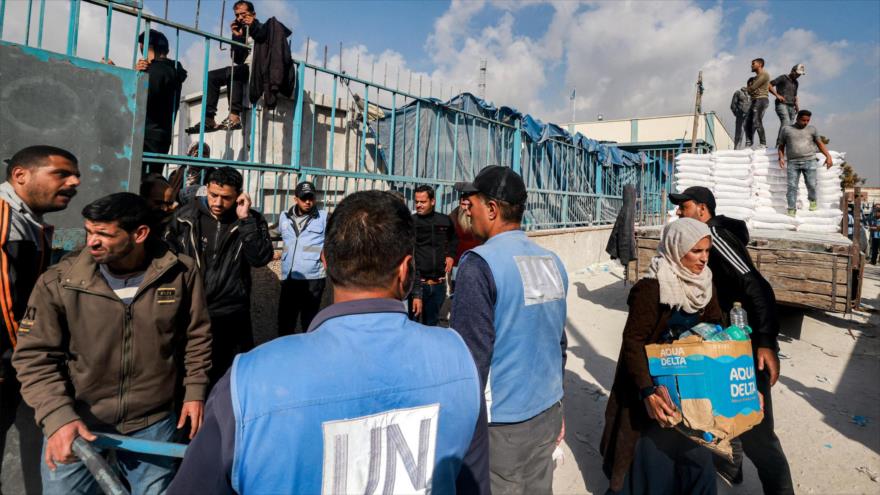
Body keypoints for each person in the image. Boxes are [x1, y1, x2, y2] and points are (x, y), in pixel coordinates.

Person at [169, 190, 483, 494]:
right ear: (405, 270)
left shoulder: (248, 380)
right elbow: (474, 482)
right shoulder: (459, 359)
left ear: (326, 261)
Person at [12, 193, 211, 495]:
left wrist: (194, 391)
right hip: (77, 423)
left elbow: (196, 335)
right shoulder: (59, 282)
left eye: (103, 234)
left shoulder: (181, 273)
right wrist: (58, 417)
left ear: (140, 234)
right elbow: (34, 357)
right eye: (89, 231)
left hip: (153, 422)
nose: (92, 242)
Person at [451, 166, 567, 495]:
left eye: (471, 201)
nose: (466, 209)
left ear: (492, 209)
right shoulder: (552, 262)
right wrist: (560, 407)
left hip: (500, 424)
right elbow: (558, 342)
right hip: (547, 412)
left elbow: (470, 358)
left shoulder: (479, 264)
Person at [671, 187, 794, 493]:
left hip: (746, 349)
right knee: (726, 418)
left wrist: (766, 342)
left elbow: (757, 285)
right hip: (726, 345)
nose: (678, 213)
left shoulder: (719, 238)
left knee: (758, 434)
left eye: (683, 207)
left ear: (702, 209)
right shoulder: (705, 242)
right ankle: (731, 470)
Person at [601, 218, 721, 494]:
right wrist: (648, 392)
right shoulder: (652, 287)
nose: (703, 259)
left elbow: (716, 325)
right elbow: (633, 342)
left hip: (693, 393)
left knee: (699, 467)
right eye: (696, 252)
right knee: (656, 470)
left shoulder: (706, 284)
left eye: (707, 251)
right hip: (658, 394)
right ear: (676, 249)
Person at [0, 146, 80, 494]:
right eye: (62, 174)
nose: (75, 182)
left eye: (75, 174)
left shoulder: (29, 221)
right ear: (21, 175)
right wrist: (25, 361)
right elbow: (4, 303)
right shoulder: (3, 217)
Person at [163, 166, 273, 385]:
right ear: (206, 190)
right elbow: (166, 258)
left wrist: (245, 221)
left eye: (226, 198)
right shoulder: (185, 217)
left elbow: (260, 258)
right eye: (213, 195)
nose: (218, 203)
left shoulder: (251, 220)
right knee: (186, 378)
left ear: (239, 196)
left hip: (231, 313)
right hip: (189, 311)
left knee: (228, 380)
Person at [185, 1, 257, 133]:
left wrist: (254, 25)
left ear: (253, 14)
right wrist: (237, 36)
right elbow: (236, 59)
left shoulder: (262, 28)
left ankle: (235, 116)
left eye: (243, 14)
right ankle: (209, 118)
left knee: (233, 72)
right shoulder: (241, 30)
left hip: (258, 68)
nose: (240, 18)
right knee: (212, 76)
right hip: (244, 68)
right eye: (237, 15)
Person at [278, 181, 328, 335]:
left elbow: (338, 239)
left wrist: (328, 255)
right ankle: (286, 354)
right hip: (289, 278)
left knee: (310, 322)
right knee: (285, 322)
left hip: (313, 278)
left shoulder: (324, 217)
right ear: (296, 199)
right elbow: (275, 234)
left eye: (311, 197)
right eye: (304, 198)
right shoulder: (284, 217)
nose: (308, 201)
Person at [136, 30, 187, 173]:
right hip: (161, 136)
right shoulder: (173, 70)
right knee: (152, 181)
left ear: (147, 48)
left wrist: (134, 77)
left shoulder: (155, 71)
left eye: (142, 50)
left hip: (146, 135)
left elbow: (139, 101)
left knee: (138, 183)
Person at [411, 185, 458, 326]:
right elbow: (410, 258)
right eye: (417, 201)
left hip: (439, 286)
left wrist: (450, 255)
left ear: (433, 201)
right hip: (419, 286)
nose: (419, 205)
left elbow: (454, 239)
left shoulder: (444, 220)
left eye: (423, 202)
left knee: (434, 327)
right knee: (416, 327)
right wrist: (416, 293)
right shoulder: (411, 222)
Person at [778, 109, 834, 215]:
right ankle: (791, 209)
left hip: (810, 161)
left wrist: (828, 156)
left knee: (812, 184)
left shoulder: (812, 129)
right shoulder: (786, 130)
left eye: (808, 120)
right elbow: (781, 146)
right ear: (797, 118)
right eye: (803, 120)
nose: (806, 123)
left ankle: (812, 201)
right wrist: (780, 158)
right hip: (793, 162)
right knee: (792, 186)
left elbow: (820, 144)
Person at [770, 64, 806, 148]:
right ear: (792, 71)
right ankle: (779, 145)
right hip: (781, 104)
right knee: (785, 122)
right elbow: (769, 85)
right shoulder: (783, 77)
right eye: (797, 73)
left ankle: (786, 145)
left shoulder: (796, 83)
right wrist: (777, 95)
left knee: (790, 127)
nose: (798, 75)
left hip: (791, 106)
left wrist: (797, 105)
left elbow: (795, 95)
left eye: (800, 74)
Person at [745, 58, 771, 149]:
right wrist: (748, 89)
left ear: (760, 64)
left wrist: (747, 89)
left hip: (761, 100)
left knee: (756, 121)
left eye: (753, 63)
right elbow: (750, 91)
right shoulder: (753, 78)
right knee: (747, 122)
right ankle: (749, 143)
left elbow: (752, 88)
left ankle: (763, 144)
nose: (751, 65)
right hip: (754, 100)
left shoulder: (764, 75)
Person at [730, 79, 752, 150]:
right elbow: (733, 105)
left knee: (749, 135)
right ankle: (736, 150)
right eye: (752, 84)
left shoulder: (754, 95)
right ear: (748, 84)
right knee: (739, 134)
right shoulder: (738, 92)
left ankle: (747, 150)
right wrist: (738, 114)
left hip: (749, 118)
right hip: (740, 117)